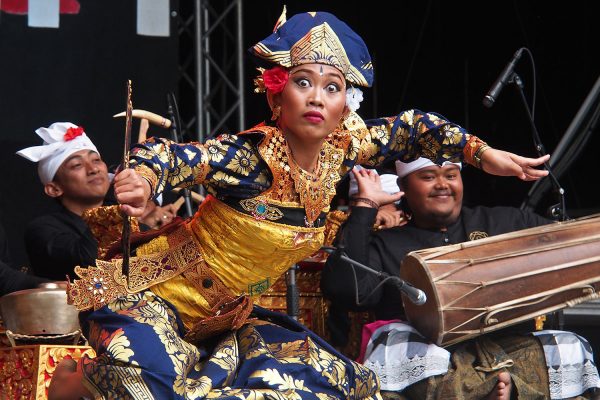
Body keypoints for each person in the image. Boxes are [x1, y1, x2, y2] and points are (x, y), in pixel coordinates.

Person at [52, 9, 550, 400]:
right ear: (277, 95)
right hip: (154, 301)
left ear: (343, 106)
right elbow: (175, 156)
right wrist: (140, 178)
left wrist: (483, 156)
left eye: (332, 87)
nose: (317, 97)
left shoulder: (345, 149)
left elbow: (415, 126)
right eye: (303, 81)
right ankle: (78, 387)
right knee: (148, 389)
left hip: (230, 321)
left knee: (339, 386)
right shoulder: (250, 159)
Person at [321, 158, 600, 399]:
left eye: (451, 176)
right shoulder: (388, 243)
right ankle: (492, 391)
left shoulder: (507, 222)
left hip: (511, 347)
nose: (442, 184)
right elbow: (349, 292)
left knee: (569, 345)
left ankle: (505, 388)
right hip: (434, 356)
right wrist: (365, 206)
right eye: (428, 177)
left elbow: (572, 246)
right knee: (393, 345)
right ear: (403, 187)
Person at [17, 122, 112, 280]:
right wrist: (122, 204)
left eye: (96, 160)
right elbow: (89, 262)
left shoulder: (125, 213)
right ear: (54, 189)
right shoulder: (42, 230)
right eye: (77, 165)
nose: (94, 169)